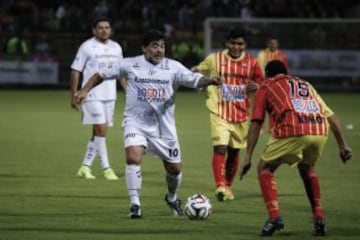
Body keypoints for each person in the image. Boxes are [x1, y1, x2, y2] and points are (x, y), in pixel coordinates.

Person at [74, 30, 223, 218]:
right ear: (144, 48)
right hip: (135, 123)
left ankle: (171, 197)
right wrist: (84, 90)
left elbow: (194, 80)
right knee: (133, 158)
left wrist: (210, 80)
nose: (159, 50)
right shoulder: (130, 64)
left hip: (163, 128)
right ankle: (135, 204)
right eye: (154, 45)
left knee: (175, 169)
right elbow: (100, 74)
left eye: (162, 46)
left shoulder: (173, 67)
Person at [239, 60, 352, 236]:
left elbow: (256, 122)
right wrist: (343, 145)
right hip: (319, 130)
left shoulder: (266, 86)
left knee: (264, 168)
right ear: (286, 72)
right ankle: (319, 216)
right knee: (307, 169)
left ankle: (274, 217)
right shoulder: (305, 84)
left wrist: (248, 156)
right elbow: (332, 116)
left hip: (293, 130)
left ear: (268, 74)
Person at [192, 28, 264, 201]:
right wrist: (192, 72)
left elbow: (263, 83)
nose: (236, 47)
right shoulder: (214, 59)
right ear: (226, 43)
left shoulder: (253, 63)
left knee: (234, 153)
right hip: (219, 110)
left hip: (241, 114)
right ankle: (220, 186)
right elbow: (199, 70)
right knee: (220, 148)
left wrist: (258, 86)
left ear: (245, 45)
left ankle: (228, 186)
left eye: (240, 44)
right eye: (232, 43)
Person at [70, 17, 123, 180]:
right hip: (91, 94)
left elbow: (122, 71)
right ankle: (107, 168)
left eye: (107, 27)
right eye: (100, 28)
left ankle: (85, 167)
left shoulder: (116, 48)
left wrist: (129, 89)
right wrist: (74, 93)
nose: (104, 30)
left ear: (111, 30)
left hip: (110, 95)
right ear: (94, 30)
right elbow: (75, 70)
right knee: (100, 128)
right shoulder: (87, 47)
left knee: (99, 133)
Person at [257, 37, 288, 133]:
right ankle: (259, 127)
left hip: (277, 85)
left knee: (274, 105)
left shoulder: (282, 55)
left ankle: (273, 127)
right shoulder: (262, 54)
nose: (273, 45)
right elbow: (259, 68)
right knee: (260, 105)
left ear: (277, 44)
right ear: (268, 44)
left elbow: (285, 71)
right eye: (271, 43)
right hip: (264, 83)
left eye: (275, 43)